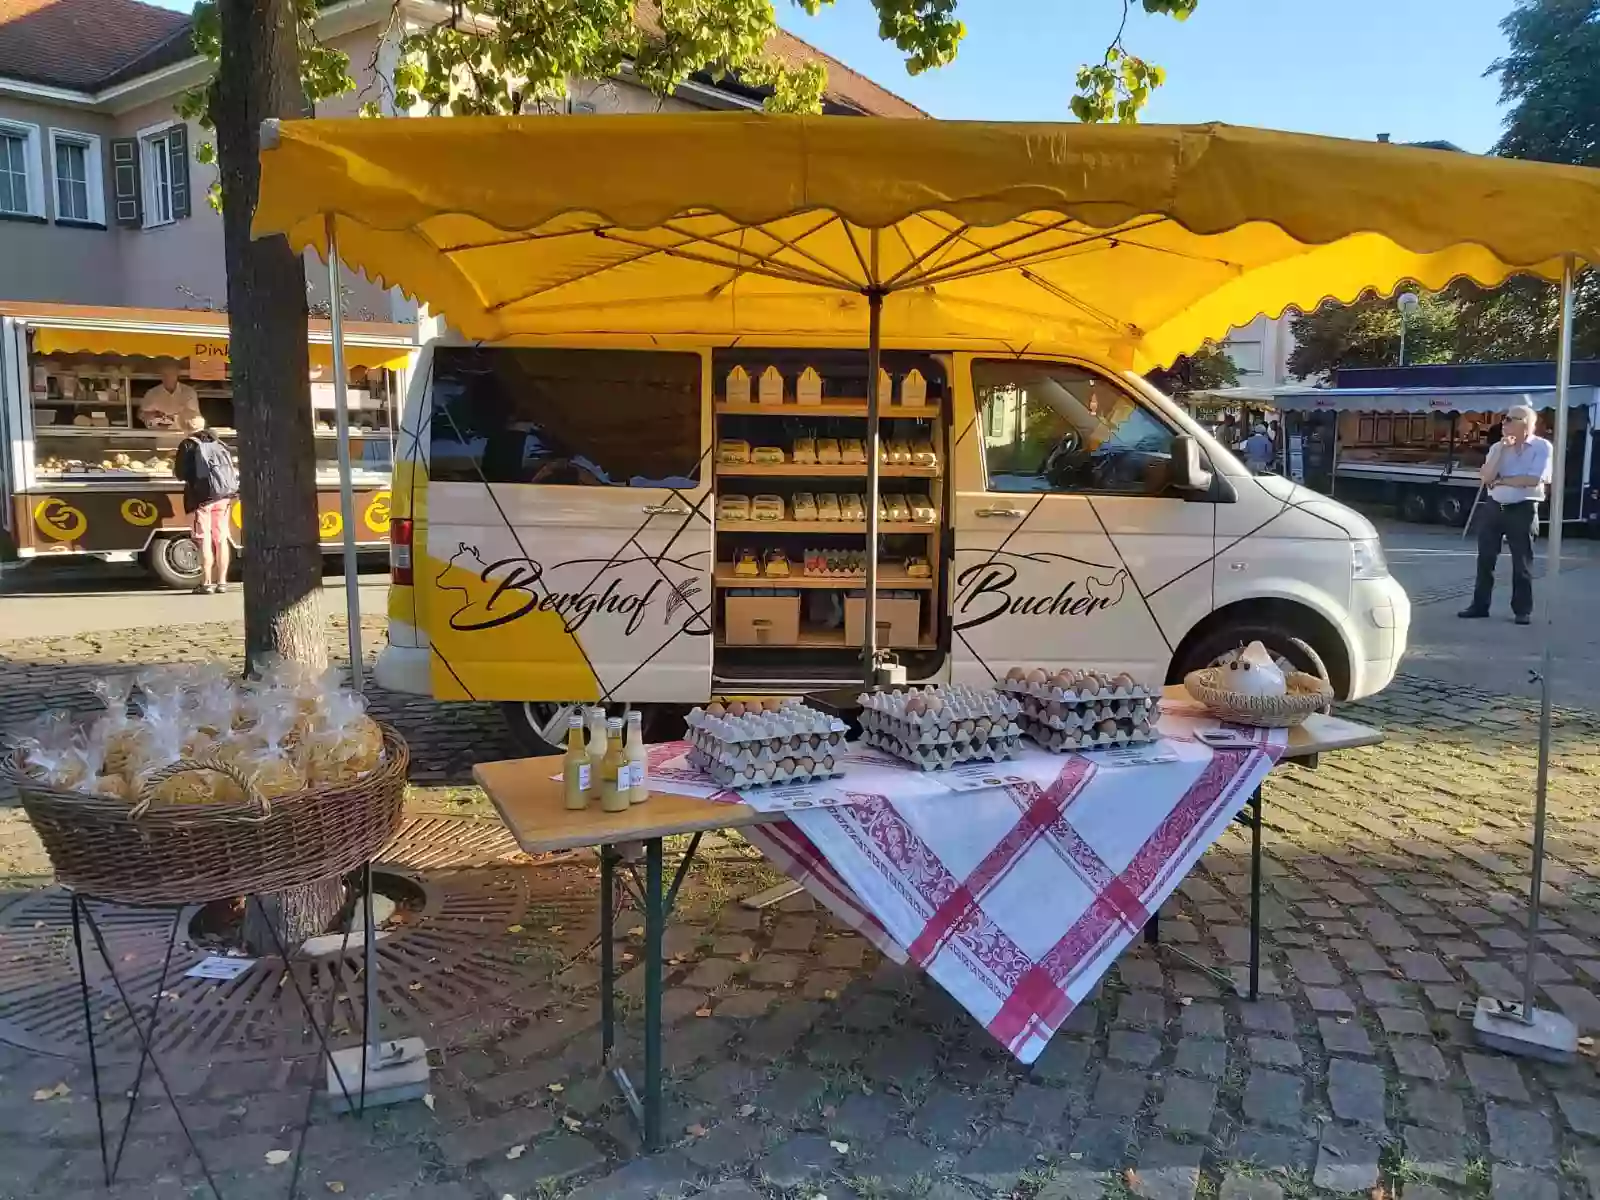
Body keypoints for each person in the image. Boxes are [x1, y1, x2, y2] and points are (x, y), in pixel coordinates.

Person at [1459, 403, 1552, 626]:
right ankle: (1480, 606)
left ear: (1526, 424)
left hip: (1523, 507)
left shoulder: (1542, 447)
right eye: (1505, 419)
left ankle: (1522, 610)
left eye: (1510, 420)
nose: (1504, 423)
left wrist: (1501, 480)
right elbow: (1486, 477)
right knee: (1485, 559)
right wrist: (1501, 450)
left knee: (1522, 561)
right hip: (1494, 505)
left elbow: (1532, 480)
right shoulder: (1497, 447)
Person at [174, 415, 239, 594]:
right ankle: (223, 582)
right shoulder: (218, 442)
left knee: (204, 539)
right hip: (223, 496)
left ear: (184, 427)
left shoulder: (188, 444)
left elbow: (180, 473)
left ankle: (207, 583)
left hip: (200, 498)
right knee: (221, 538)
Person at [139, 361, 202, 430]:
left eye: (171, 374)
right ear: (161, 375)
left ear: (177, 374)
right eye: (165, 374)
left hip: (182, 433)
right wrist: (151, 415)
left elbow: (193, 416)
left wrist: (178, 416)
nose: (168, 377)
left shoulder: (189, 392)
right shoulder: (152, 393)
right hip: (158, 434)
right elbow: (141, 414)